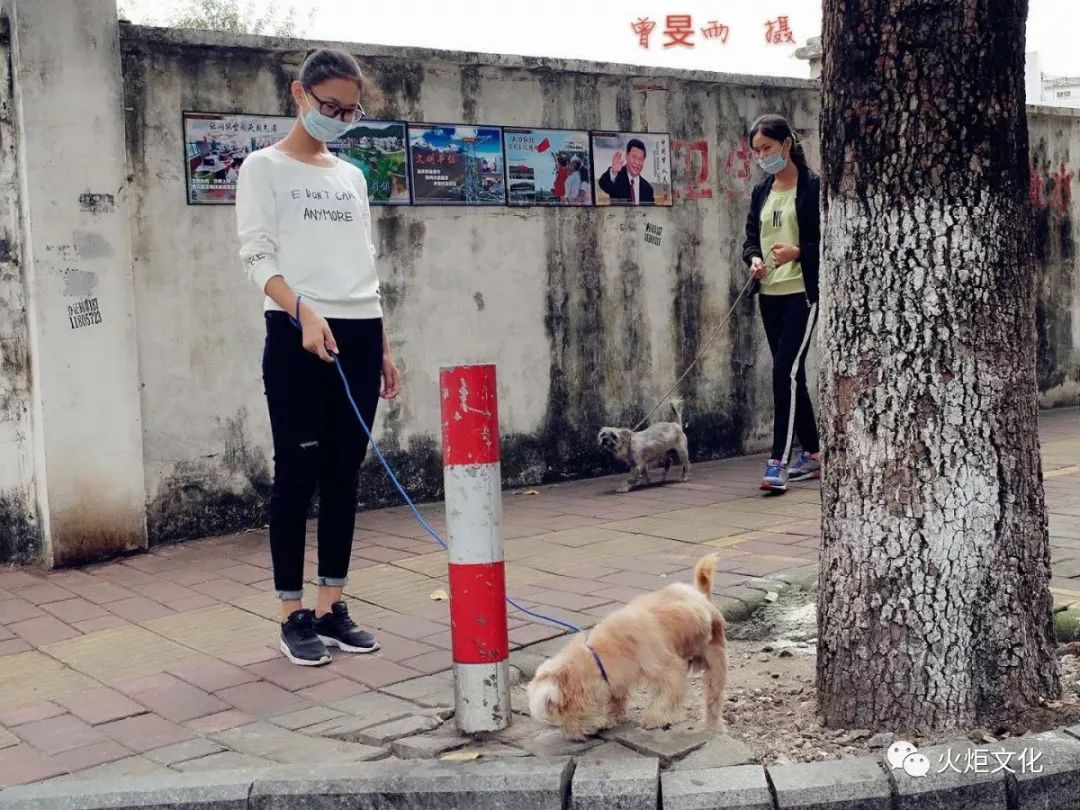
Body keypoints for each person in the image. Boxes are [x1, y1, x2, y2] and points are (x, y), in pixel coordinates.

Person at [235, 48, 401, 666]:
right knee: (297, 475)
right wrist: (302, 310)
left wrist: (381, 343)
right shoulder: (263, 169)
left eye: (350, 110)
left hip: (359, 331)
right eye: (330, 105)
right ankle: (291, 613)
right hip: (297, 331)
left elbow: (365, 263)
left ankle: (333, 606)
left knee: (343, 474)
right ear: (299, 94)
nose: (339, 116)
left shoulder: (351, 176)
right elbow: (257, 257)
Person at [741, 114, 821, 493]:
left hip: (802, 294)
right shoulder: (761, 192)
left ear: (787, 145)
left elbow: (828, 242)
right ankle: (814, 454)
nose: (762, 157)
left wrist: (798, 252)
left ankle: (779, 461)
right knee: (791, 375)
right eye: (756, 151)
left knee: (783, 371)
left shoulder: (813, 189)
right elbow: (751, 239)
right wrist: (754, 259)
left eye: (767, 149)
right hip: (769, 295)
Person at [598, 138, 654, 204]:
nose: (637, 162)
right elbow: (602, 183)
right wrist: (613, 172)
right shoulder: (617, 177)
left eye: (640, 159)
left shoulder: (648, 189)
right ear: (626, 156)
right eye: (634, 157)